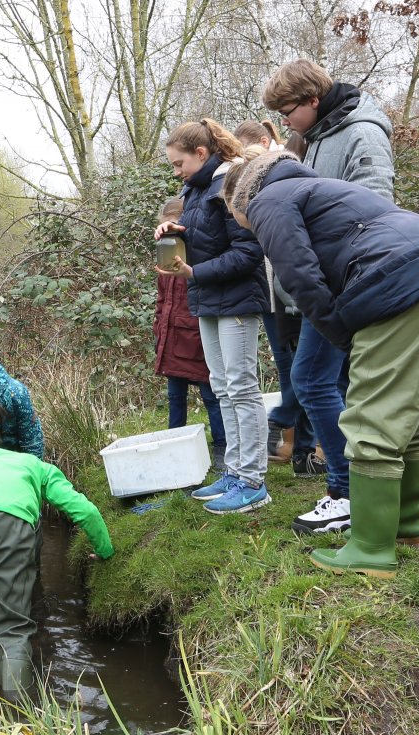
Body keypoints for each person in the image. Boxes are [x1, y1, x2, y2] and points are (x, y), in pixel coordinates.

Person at [223, 147, 419, 578]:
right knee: (413, 410)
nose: (255, 234)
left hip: (400, 281)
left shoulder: (266, 200)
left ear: (241, 202)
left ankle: (368, 546)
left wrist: (342, 335)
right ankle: (405, 524)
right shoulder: (322, 185)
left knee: (372, 420)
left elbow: (299, 276)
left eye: (248, 229)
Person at [261, 59, 398, 535]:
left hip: (346, 281)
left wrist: (342, 273)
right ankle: (360, 485)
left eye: (287, 110)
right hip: (324, 281)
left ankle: (344, 492)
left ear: (313, 100)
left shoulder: (362, 132)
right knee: (326, 384)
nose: (285, 122)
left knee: (313, 380)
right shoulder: (317, 137)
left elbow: (376, 207)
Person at [152, 118, 271, 516]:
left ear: (201, 154)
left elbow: (249, 252)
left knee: (241, 387)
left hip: (236, 300)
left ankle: (253, 481)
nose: (176, 172)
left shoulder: (229, 183)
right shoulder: (196, 189)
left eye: (178, 163)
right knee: (221, 387)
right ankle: (234, 471)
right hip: (206, 299)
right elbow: (208, 239)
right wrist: (176, 231)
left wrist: (195, 273)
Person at [0, 424, 113, 693]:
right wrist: (104, 551)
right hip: (5, 521)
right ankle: (18, 715)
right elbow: (84, 511)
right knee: (11, 628)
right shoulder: (34, 464)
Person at [231, 120, 321, 476]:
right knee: (290, 369)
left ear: (266, 144)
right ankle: (297, 447)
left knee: (308, 369)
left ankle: (308, 446)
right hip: (273, 295)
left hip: (297, 291)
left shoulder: (287, 178)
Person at [152, 196, 227, 464]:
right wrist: (159, 326)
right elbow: (162, 299)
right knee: (175, 395)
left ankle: (221, 447)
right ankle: (176, 445)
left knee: (211, 393)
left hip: (196, 336)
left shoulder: (197, 256)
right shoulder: (165, 258)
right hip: (172, 337)